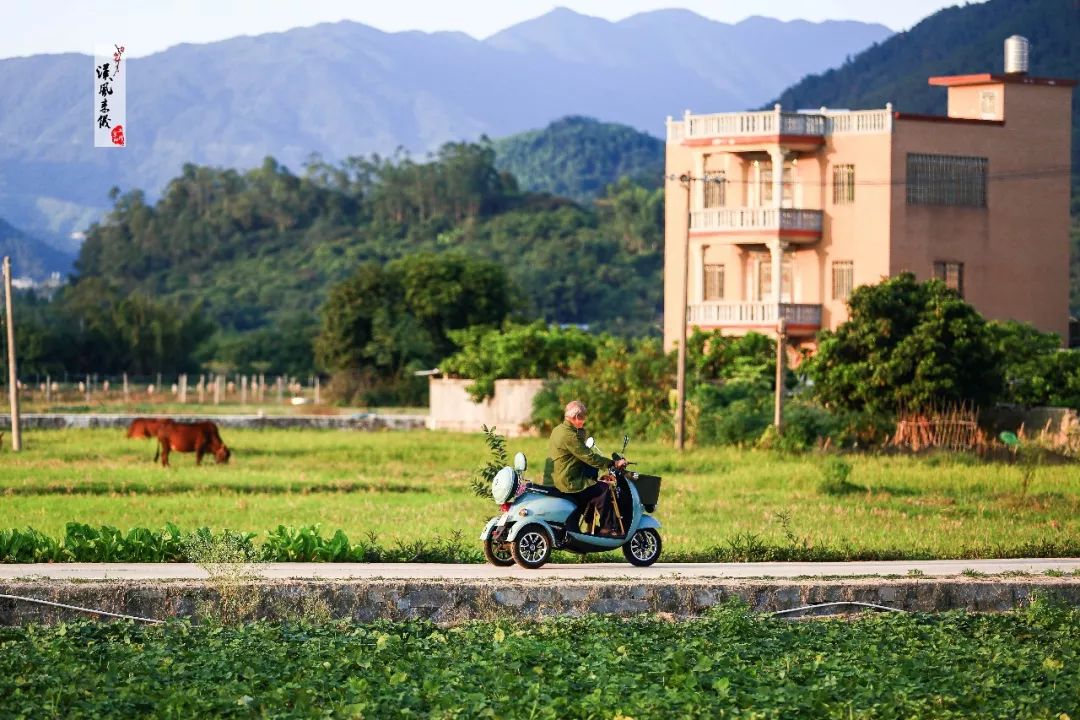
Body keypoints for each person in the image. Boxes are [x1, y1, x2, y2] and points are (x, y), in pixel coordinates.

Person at [543, 400, 628, 535]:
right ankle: (609, 528)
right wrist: (613, 463)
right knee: (603, 490)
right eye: (583, 418)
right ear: (576, 418)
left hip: (558, 478)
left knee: (591, 487)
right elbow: (589, 457)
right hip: (568, 482)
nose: (585, 421)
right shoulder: (569, 436)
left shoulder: (558, 429)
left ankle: (589, 528)